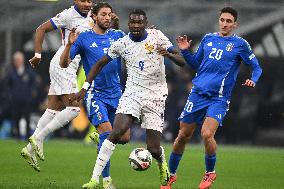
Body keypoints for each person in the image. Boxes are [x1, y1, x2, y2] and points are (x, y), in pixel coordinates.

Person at [71, 9, 186, 189]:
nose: (136, 25)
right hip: (131, 93)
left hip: (155, 95)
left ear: (145, 22)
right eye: (133, 22)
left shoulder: (157, 36)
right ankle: (95, 179)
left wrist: (169, 54)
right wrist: (85, 87)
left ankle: (161, 161)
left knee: (153, 148)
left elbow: (182, 60)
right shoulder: (122, 43)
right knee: (115, 133)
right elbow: (99, 63)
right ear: (129, 24)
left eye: (140, 22)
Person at [162, 7, 263, 189]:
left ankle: (210, 173)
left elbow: (257, 67)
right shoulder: (208, 39)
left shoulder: (240, 44)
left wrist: (253, 79)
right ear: (219, 21)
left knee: (207, 134)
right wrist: (185, 51)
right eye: (222, 20)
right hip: (197, 93)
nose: (224, 23)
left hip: (219, 98)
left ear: (235, 24)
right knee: (183, 135)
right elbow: (194, 64)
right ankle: (171, 175)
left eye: (229, 21)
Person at [20, 0, 93, 172]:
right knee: (74, 109)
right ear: (75, 0)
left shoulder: (93, 15)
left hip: (70, 66)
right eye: (83, 0)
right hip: (64, 64)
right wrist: (37, 54)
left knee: (53, 109)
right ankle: (39, 137)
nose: (86, 4)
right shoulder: (68, 15)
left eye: (90, 0)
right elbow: (41, 29)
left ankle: (29, 149)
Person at [60, 2, 126, 189]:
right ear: (94, 17)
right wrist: (69, 45)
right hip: (96, 95)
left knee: (124, 137)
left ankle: (101, 139)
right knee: (107, 134)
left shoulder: (118, 35)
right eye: (103, 14)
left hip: (118, 94)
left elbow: (125, 46)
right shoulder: (84, 39)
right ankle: (106, 181)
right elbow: (64, 64)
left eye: (109, 14)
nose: (107, 17)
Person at [6, 51, 38, 140]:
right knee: (16, 118)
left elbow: (34, 83)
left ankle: (28, 136)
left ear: (22, 60)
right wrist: (10, 95)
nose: (17, 61)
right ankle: (17, 136)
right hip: (15, 100)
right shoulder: (11, 72)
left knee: (27, 118)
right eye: (15, 60)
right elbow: (7, 85)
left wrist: (31, 93)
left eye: (19, 60)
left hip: (26, 100)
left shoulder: (28, 71)